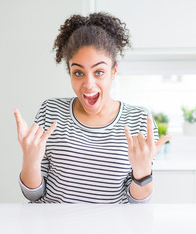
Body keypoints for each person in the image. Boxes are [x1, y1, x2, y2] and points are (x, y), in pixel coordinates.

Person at [14, 12, 171, 203]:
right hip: (54, 229)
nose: (88, 84)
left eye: (99, 72)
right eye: (78, 72)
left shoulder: (138, 120)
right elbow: (33, 195)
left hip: (111, 230)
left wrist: (142, 172)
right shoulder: (51, 111)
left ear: (113, 71)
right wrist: (30, 160)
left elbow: (138, 203)